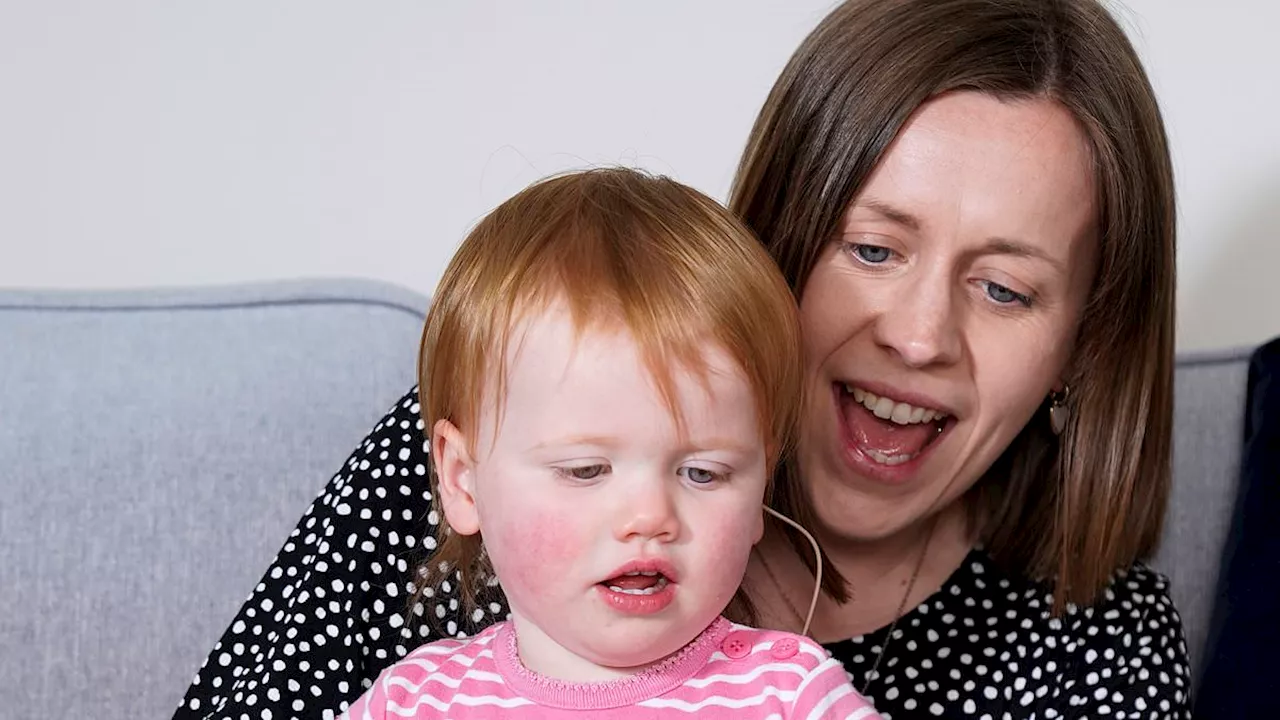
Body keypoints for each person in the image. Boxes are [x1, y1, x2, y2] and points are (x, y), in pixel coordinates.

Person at [175, 1, 1190, 718]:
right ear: (777, 242)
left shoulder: (1085, 643)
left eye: (1003, 289)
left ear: (1079, 346)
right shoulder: (498, 433)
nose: (918, 336)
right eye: (872, 249)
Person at [333, 168, 878, 719]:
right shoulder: (414, 700)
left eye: (703, 472)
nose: (649, 517)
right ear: (462, 480)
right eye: (586, 470)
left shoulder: (789, 694)